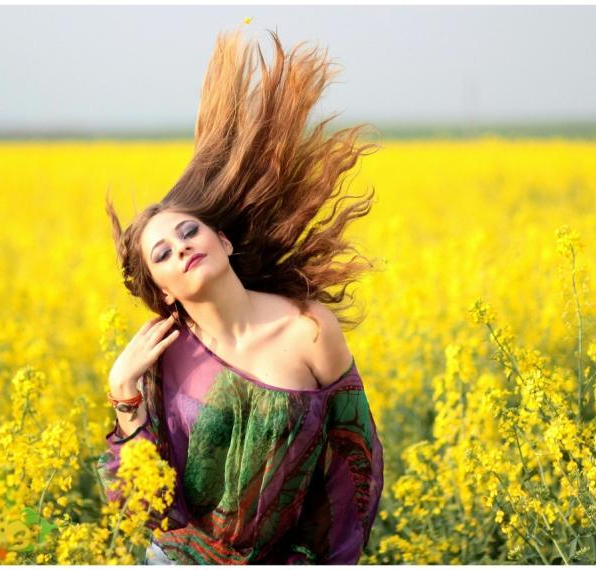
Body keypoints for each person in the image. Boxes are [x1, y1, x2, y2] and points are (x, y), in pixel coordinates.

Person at [97, 25, 384, 565]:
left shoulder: (309, 327)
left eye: (189, 233)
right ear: (163, 291)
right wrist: (123, 391)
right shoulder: (166, 355)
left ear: (222, 239)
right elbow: (143, 506)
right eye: (161, 255)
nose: (181, 249)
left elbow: (355, 459)